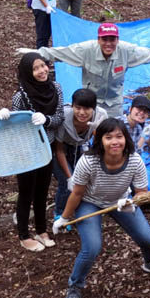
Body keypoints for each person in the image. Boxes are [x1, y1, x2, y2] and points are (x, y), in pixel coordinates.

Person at [52, 118, 150, 298]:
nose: (115, 141)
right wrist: (64, 217)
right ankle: (75, 285)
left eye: (119, 136)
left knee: (148, 239)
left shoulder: (134, 160)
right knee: (92, 247)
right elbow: (77, 193)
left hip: (120, 201)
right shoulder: (89, 161)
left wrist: (132, 202)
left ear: (126, 139)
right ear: (100, 140)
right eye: (108, 137)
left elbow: (142, 191)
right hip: (89, 202)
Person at [18, 23, 150, 117]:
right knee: (86, 136)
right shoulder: (86, 50)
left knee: (113, 134)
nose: (108, 44)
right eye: (104, 39)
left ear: (117, 40)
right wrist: (36, 53)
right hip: (91, 103)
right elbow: (61, 53)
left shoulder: (126, 51)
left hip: (114, 103)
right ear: (98, 40)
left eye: (112, 40)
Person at [0, 53, 64, 251]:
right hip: (27, 150)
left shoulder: (56, 88)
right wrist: (4, 117)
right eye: (36, 68)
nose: (42, 71)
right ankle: (24, 235)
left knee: (42, 190)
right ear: (27, 72)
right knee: (26, 192)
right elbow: (15, 125)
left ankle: (41, 230)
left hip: (47, 147)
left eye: (43, 66)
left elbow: (59, 116)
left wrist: (47, 120)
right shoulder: (21, 95)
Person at [54, 88, 108, 220]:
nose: (82, 113)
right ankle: (59, 213)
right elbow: (59, 149)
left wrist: (97, 130)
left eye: (87, 109)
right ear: (72, 106)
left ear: (94, 108)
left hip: (80, 146)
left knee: (83, 181)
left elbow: (100, 144)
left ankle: (80, 210)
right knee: (66, 184)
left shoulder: (101, 115)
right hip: (60, 147)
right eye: (78, 108)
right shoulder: (63, 117)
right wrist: (69, 177)